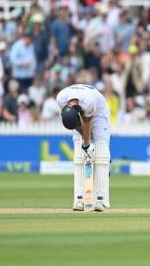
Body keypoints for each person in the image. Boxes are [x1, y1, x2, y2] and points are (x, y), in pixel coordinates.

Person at [56, 84, 111, 212]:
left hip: (99, 114)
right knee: (79, 154)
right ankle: (79, 199)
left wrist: (87, 145)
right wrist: (85, 147)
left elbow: (87, 122)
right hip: (80, 113)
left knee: (101, 152)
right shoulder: (61, 98)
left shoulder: (89, 101)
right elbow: (75, 124)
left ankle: (100, 199)